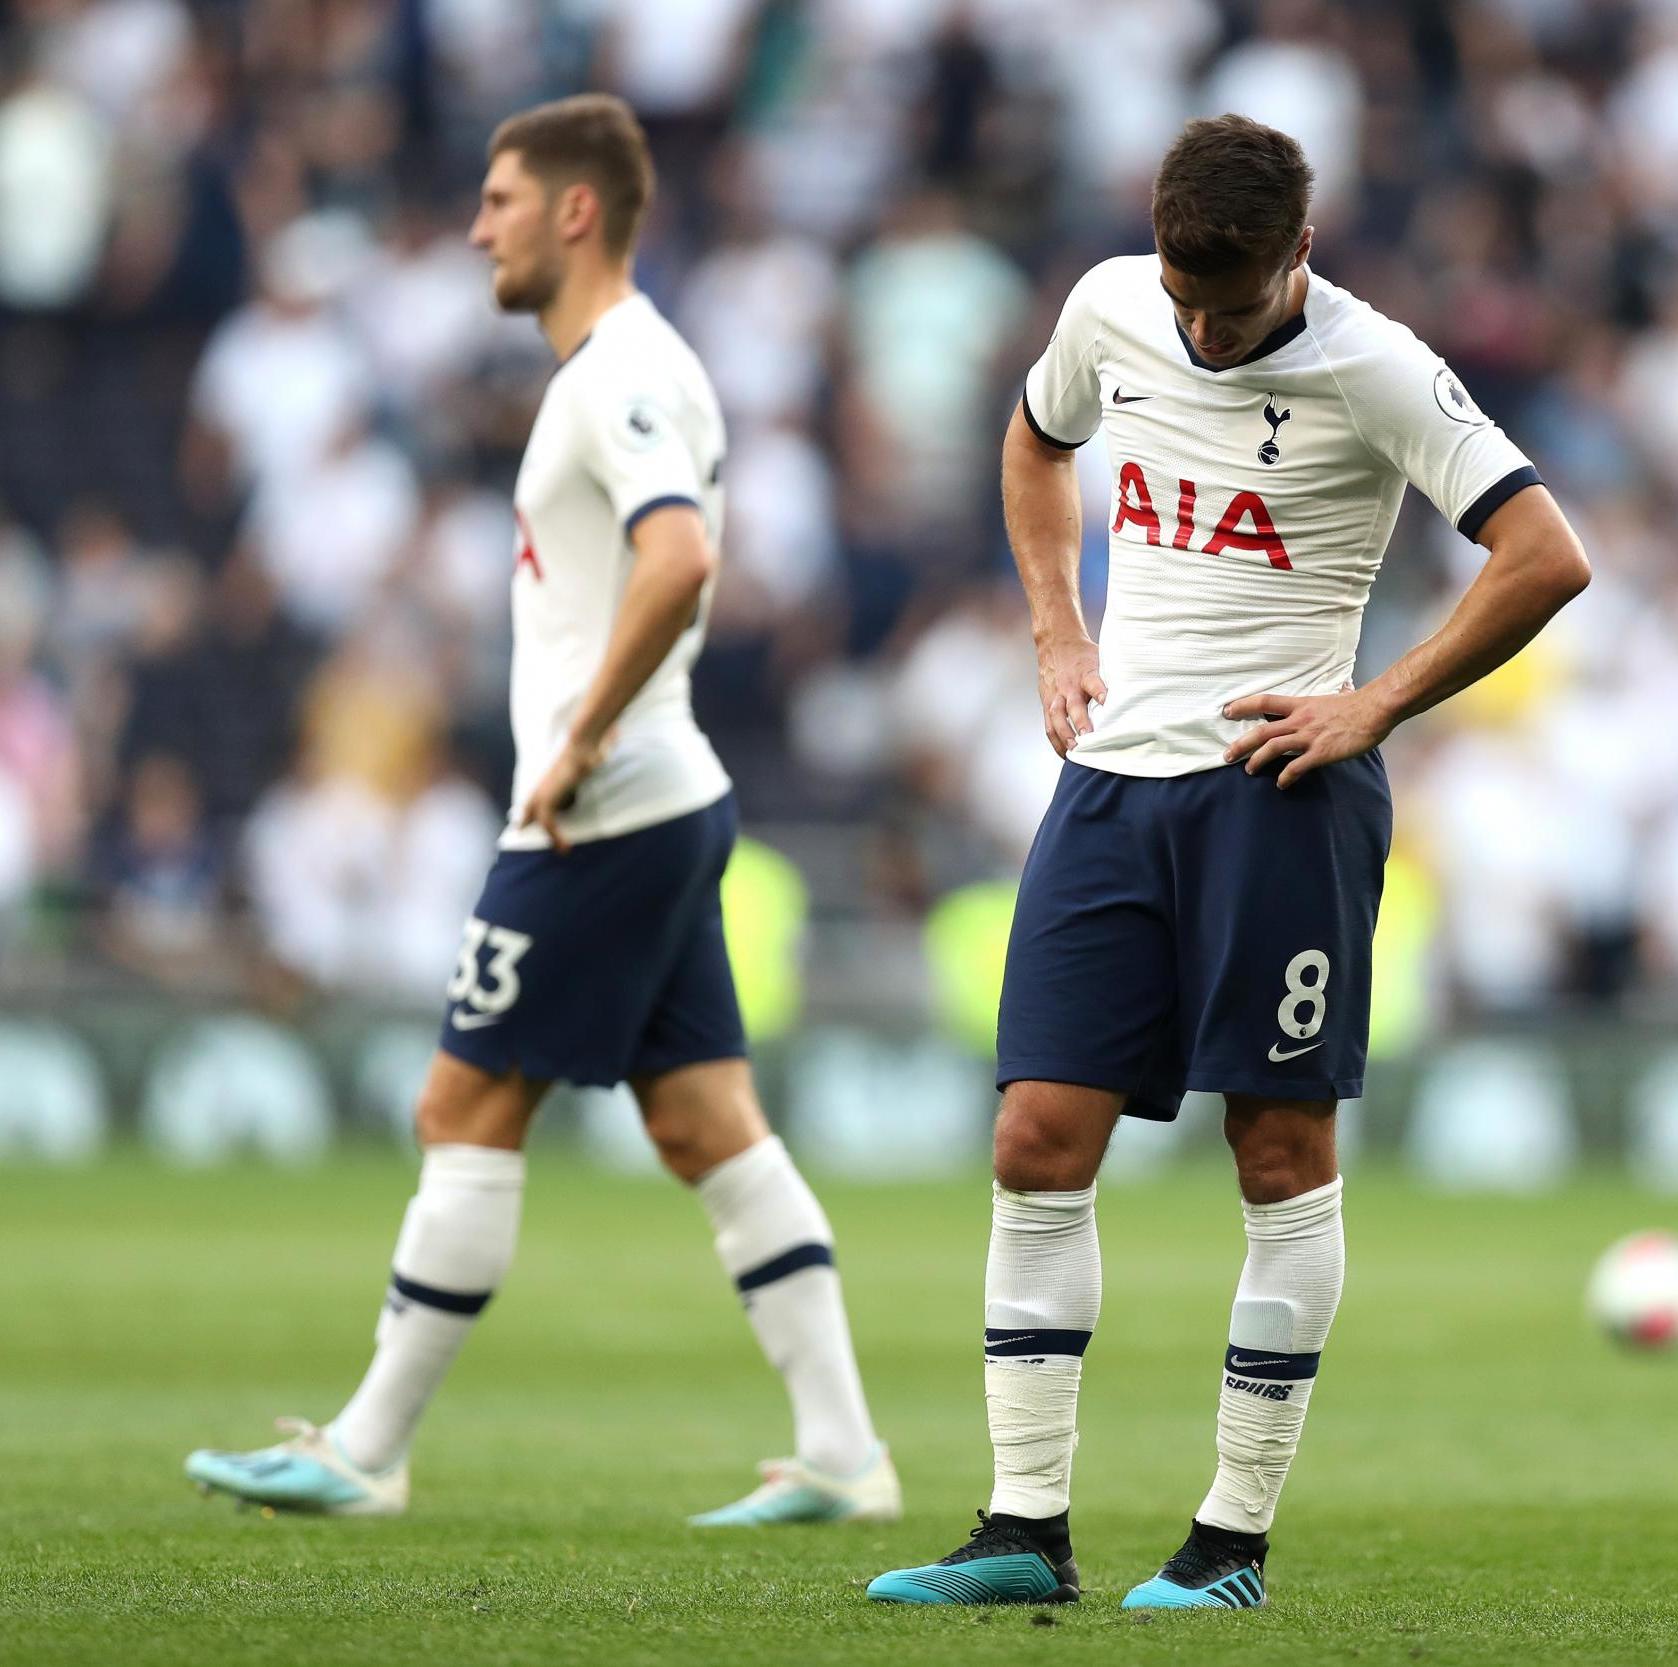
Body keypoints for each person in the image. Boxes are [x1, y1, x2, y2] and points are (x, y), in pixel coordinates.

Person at [868, 115, 1588, 1611]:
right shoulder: (1108, 304)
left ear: (1300, 256)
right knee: (1032, 1141)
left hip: (1279, 790)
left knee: (1276, 1157)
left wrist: (1375, 698)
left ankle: (1231, 1543)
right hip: (1114, 784)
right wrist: (1059, 630)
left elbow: (1542, 555)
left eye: (1237, 303)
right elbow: (1032, 440)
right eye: (1188, 299)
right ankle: (1022, 1530)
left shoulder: (1374, 364)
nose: (1203, 328)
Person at [184, 94, 898, 1529]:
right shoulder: (618, 369)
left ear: (577, 210)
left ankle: (366, 1449)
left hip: (604, 810)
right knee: (707, 1128)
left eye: (501, 199)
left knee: (461, 1101)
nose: (475, 227)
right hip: (664, 794)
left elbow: (680, 559)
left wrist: (575, 738)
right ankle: (844, 1458)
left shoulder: (619, 373)